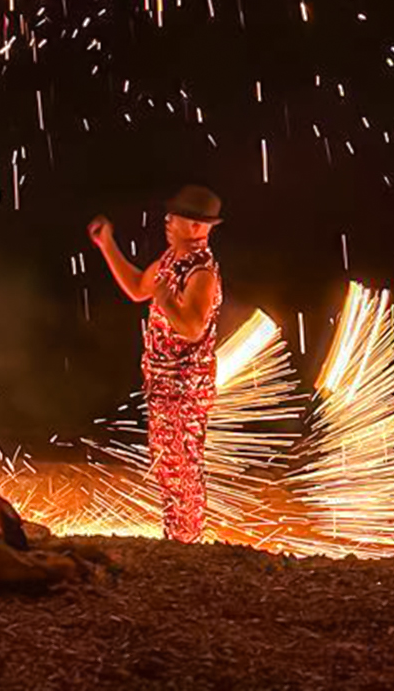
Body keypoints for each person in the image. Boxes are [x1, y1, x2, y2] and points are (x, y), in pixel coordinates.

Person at [87, 185, 224, 542]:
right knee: (168, 463)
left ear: (195, 226)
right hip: (163, 385)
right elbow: (137, 287)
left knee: (181, 465)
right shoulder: (170, 260)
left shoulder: (201, 273)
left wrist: (166, 298)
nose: (167, 221)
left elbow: (193, 328)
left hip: (185, 388)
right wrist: (107, 244)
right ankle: (177, 536)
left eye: (174, 217)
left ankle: (185, 541)